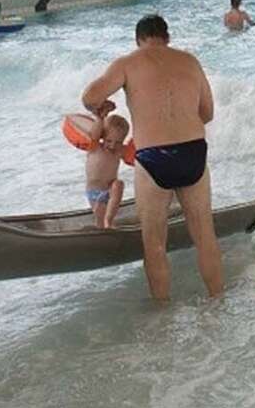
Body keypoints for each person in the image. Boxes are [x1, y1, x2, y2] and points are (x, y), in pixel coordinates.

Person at [82, 15, 222, 300]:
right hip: (193, 151)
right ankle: (218, 303)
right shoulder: (190, 61)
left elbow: (89, 96)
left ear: (138, 40)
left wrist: (102, 106)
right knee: (205, 237)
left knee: (155, 244)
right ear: (167, 37)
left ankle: (162, 317)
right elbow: (207, 113)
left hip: (153, 157)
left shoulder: (127, 63)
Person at [75, 104, 130, 229]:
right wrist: (100, 118)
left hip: (110, 190)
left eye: (118, 142)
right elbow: (94, 133)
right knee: (100, 215)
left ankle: (109, 221)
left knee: (119, 184)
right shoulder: (95, 147)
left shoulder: (119, 151)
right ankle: (103, 228)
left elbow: (137, 155)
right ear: (102, 137)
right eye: (109, 141)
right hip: (94, 192)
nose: (112, 146)